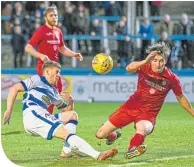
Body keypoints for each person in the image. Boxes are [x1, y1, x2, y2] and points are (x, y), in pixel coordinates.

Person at [95, 43, 194, 159]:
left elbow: (181, 97)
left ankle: (132, 149)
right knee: (100, 134)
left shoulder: (172, 79)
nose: (158, 64)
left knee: (143, 128)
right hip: (130, 107)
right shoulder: (144, 66)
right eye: (155, 60)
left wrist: (193, 113)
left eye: (161, 61)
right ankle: (112, 136)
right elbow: (128, 68)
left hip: (148, 114)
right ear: (151, 59)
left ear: (166, 61)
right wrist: (144, 62)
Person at [3, 61, 118, 161]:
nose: (59, 75)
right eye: (57, 72)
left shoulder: (53, 91)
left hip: (41, 115)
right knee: (66, 134)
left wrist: (71, 101)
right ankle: (97, 155)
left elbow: (66, 112)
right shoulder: (37, 79)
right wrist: (9, 110)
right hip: (33, 114)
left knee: (72, 115)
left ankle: (67, 151)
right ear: (47, 72)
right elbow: (15, 88)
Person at [25, 5, 83, 114]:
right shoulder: (41, 31)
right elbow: (28, 48)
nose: (54, 18)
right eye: (51, 16)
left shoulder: (58, 31)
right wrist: (40, 56)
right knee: (50, 93)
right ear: (45, 18)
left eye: (55, 15)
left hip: (55, 69)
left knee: (57, 92)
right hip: (44, 69)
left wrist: (74, 54)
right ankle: (44, 116)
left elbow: (62, 48)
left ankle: (49, 116)